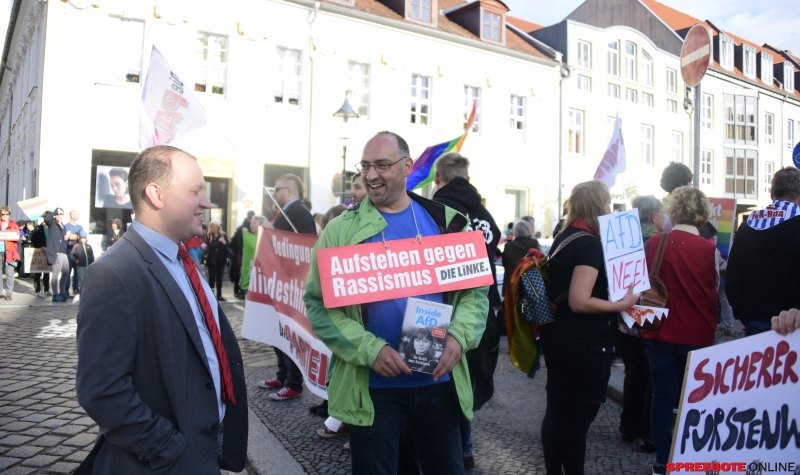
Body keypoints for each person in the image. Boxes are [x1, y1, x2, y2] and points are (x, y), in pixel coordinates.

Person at [304, 131, 489, 475]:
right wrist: (370, 350)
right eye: (366, 166)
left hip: (438, 385)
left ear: (407, 167)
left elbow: (474, 294)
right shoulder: (339, 232)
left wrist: (458, 337)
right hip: (373, 391)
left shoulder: (448, 224)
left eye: (382, 165)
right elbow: (319, 306)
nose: (371, 175)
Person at [75, 145, 247, 474]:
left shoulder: (182, 261)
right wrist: (166, 447)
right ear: (156, 194)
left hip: (203, 454)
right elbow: (102, 390)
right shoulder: (113, 274)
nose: (206, 202)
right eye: (195, 191)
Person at [539, 180, 640, 475]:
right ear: (599, 206)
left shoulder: (564, 236)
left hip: (559, 336)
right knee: (576, 423)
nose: (610, 209)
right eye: (607, 203)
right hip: (584, 345)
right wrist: (622, 304)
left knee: (557, 413)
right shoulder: (590, 244)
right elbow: (579, 300)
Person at [641, 186, 719, 475]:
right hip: (697, 334)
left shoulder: (655, 243)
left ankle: (663, 463)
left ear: (673, 211)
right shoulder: (710, 250)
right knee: (695, 402)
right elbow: (715, 289)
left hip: (659, 330)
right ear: (702, 214)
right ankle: (691, 461)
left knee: (662, 398)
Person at [432, 151, 501, 470]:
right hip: (480, 310)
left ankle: (449, 453)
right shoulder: (484, 214)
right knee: (468, 380)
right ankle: (466, 449)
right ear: (468, 178)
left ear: (438, 178)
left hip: (446, 307)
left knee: (443, 382)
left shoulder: (435, 210)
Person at [257, 173, 317, 401]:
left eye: (278, 189)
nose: (274, 193)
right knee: (278, 333)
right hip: (280, 283)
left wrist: (271, 232)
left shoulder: (299, 212)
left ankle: (293, 382)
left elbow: (306, 245)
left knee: (289, 335)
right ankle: (282, 375)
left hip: (291, 285)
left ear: (290, 191)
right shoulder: (284, 213)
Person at [727, 167, 800, 337]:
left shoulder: (746, 228)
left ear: (772, 195)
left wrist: (745, 315)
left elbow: (733, 279)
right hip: (794, 325)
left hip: (754, 321)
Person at [616, 195, 663, 453]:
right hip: (649, 317)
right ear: (654, 216)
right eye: (662, 213)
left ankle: (628, 426)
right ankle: (648, 434)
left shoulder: (625, 241)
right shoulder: (659, 241)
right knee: (651, 378)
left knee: (633, 373)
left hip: (626, 317)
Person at [44, 208, 76, 302]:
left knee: (66, 272)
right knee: (56, 272)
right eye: (57, 214)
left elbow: (62, 237)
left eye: (61, 214)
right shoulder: (52, 222)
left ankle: (62, 292)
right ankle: (55, 294)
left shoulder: (63, 225)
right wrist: (55, 211)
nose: (59, 215)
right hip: (56, 250)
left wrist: (66, 237)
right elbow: (46, 219)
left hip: (63, 250)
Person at [501, 220, 541, 292]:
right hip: (532, 287)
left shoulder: (509, 246)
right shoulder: (535, 245)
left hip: (512, 288)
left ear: (515, 231)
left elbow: (504, 263)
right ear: (528, 230)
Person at [659, 162, 693, 232]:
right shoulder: (686, 205)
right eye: (690, 181)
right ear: (685, 183)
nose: (691, 185)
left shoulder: (662, 203)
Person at [229, 211, 255, 297]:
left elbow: (233, 241)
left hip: (240, 252)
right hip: (244, 253)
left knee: (240, 271)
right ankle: (242, 290)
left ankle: (238, 291)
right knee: (245, 271)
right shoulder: (247, 228)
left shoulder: (241, 227)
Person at [205, 221, 231, 301]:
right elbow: (211, 246)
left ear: (217, 227)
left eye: (213, 227)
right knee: (212, 278)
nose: (212, 229)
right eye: (211, 227)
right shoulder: (209, 235)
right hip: (212, 260)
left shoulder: (223, 235)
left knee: (219, 278)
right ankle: (211, 295)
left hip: (221, 259)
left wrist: (224, 242)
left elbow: (228, 246)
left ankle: (219, 295)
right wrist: (218, 241)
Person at [1, 206, 21, 300]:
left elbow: (17, 235)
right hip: (0, 251)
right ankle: (0, 293)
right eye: (3, 214)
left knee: (9, 273)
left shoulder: (13, 224)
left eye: (7, 214)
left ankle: (9, 293)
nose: (5, 216)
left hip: (10, 252)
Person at [64, 210, 84, 295]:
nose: (78, 216)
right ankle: (66, 289)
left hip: (78, 250)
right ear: (71, 215)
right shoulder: (66, 226)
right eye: (77, 214)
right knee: (67, 271)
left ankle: (76, 287)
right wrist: (75, 236)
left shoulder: (80, 227)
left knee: (77, 270)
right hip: (69, 250)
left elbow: (82, 237)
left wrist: (72, 236)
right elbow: (66, 237)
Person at [30, 216, 50, 297]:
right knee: (38, 272)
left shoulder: (51, 228)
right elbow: (34, 239)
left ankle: (47, 289)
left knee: (47, 271)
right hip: (40, 252)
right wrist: (41, 245)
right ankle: (38, 289)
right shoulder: (38, 228)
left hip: (49, 251)